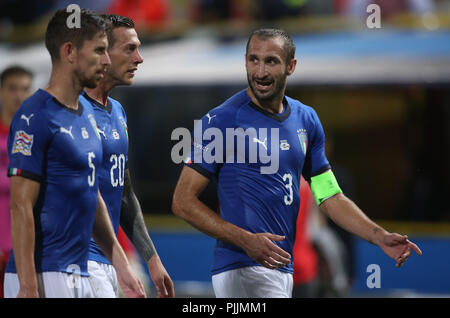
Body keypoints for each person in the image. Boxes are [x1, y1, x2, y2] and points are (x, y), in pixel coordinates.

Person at [171, 28, 422, 298]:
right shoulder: (222, 120)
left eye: (271, 61)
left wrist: (379, 236)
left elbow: (330, 196)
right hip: (243, 269)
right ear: (245, 61)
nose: (260, 71)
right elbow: (182, 202)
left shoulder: (306, 120)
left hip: (284, 270)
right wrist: (245, 240)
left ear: (291, 66)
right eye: (253, 60)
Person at [3, 8, 145, 298]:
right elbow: (20, 207)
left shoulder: (86, 116)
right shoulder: (34, 116)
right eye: (99, 51)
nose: (106, 61)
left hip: (79, 269)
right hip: (45, 272)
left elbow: (91, 194)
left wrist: (120, 262)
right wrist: (28, 286)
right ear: (69, 51)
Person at [81, 13, 174, 298]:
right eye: (130, 48)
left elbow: (124, 191)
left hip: (107, 261)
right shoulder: (72, 111)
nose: (139, 58)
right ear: (102, 52)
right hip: (76, 261)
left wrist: (151, 257)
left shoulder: (117, 112)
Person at [0, 65, 33, 298]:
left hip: (24, 254)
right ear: (1, 92)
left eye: (24, 89)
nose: (18, 95)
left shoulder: (36, 138)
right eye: (12, 88)